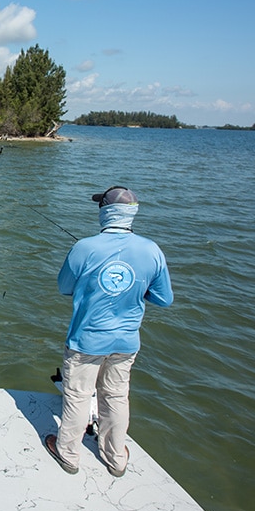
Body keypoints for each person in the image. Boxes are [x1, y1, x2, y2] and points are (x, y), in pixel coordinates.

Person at [45, 186, 173, 477]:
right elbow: (165, 298)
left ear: (104, 212)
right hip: (126, 341)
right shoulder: (151, 250)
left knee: (78, 395)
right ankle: (116, 458)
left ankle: (68, 454)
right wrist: (139, 291)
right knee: (116, 396)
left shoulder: (85, 247)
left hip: (86, 340)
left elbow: (64, 287)